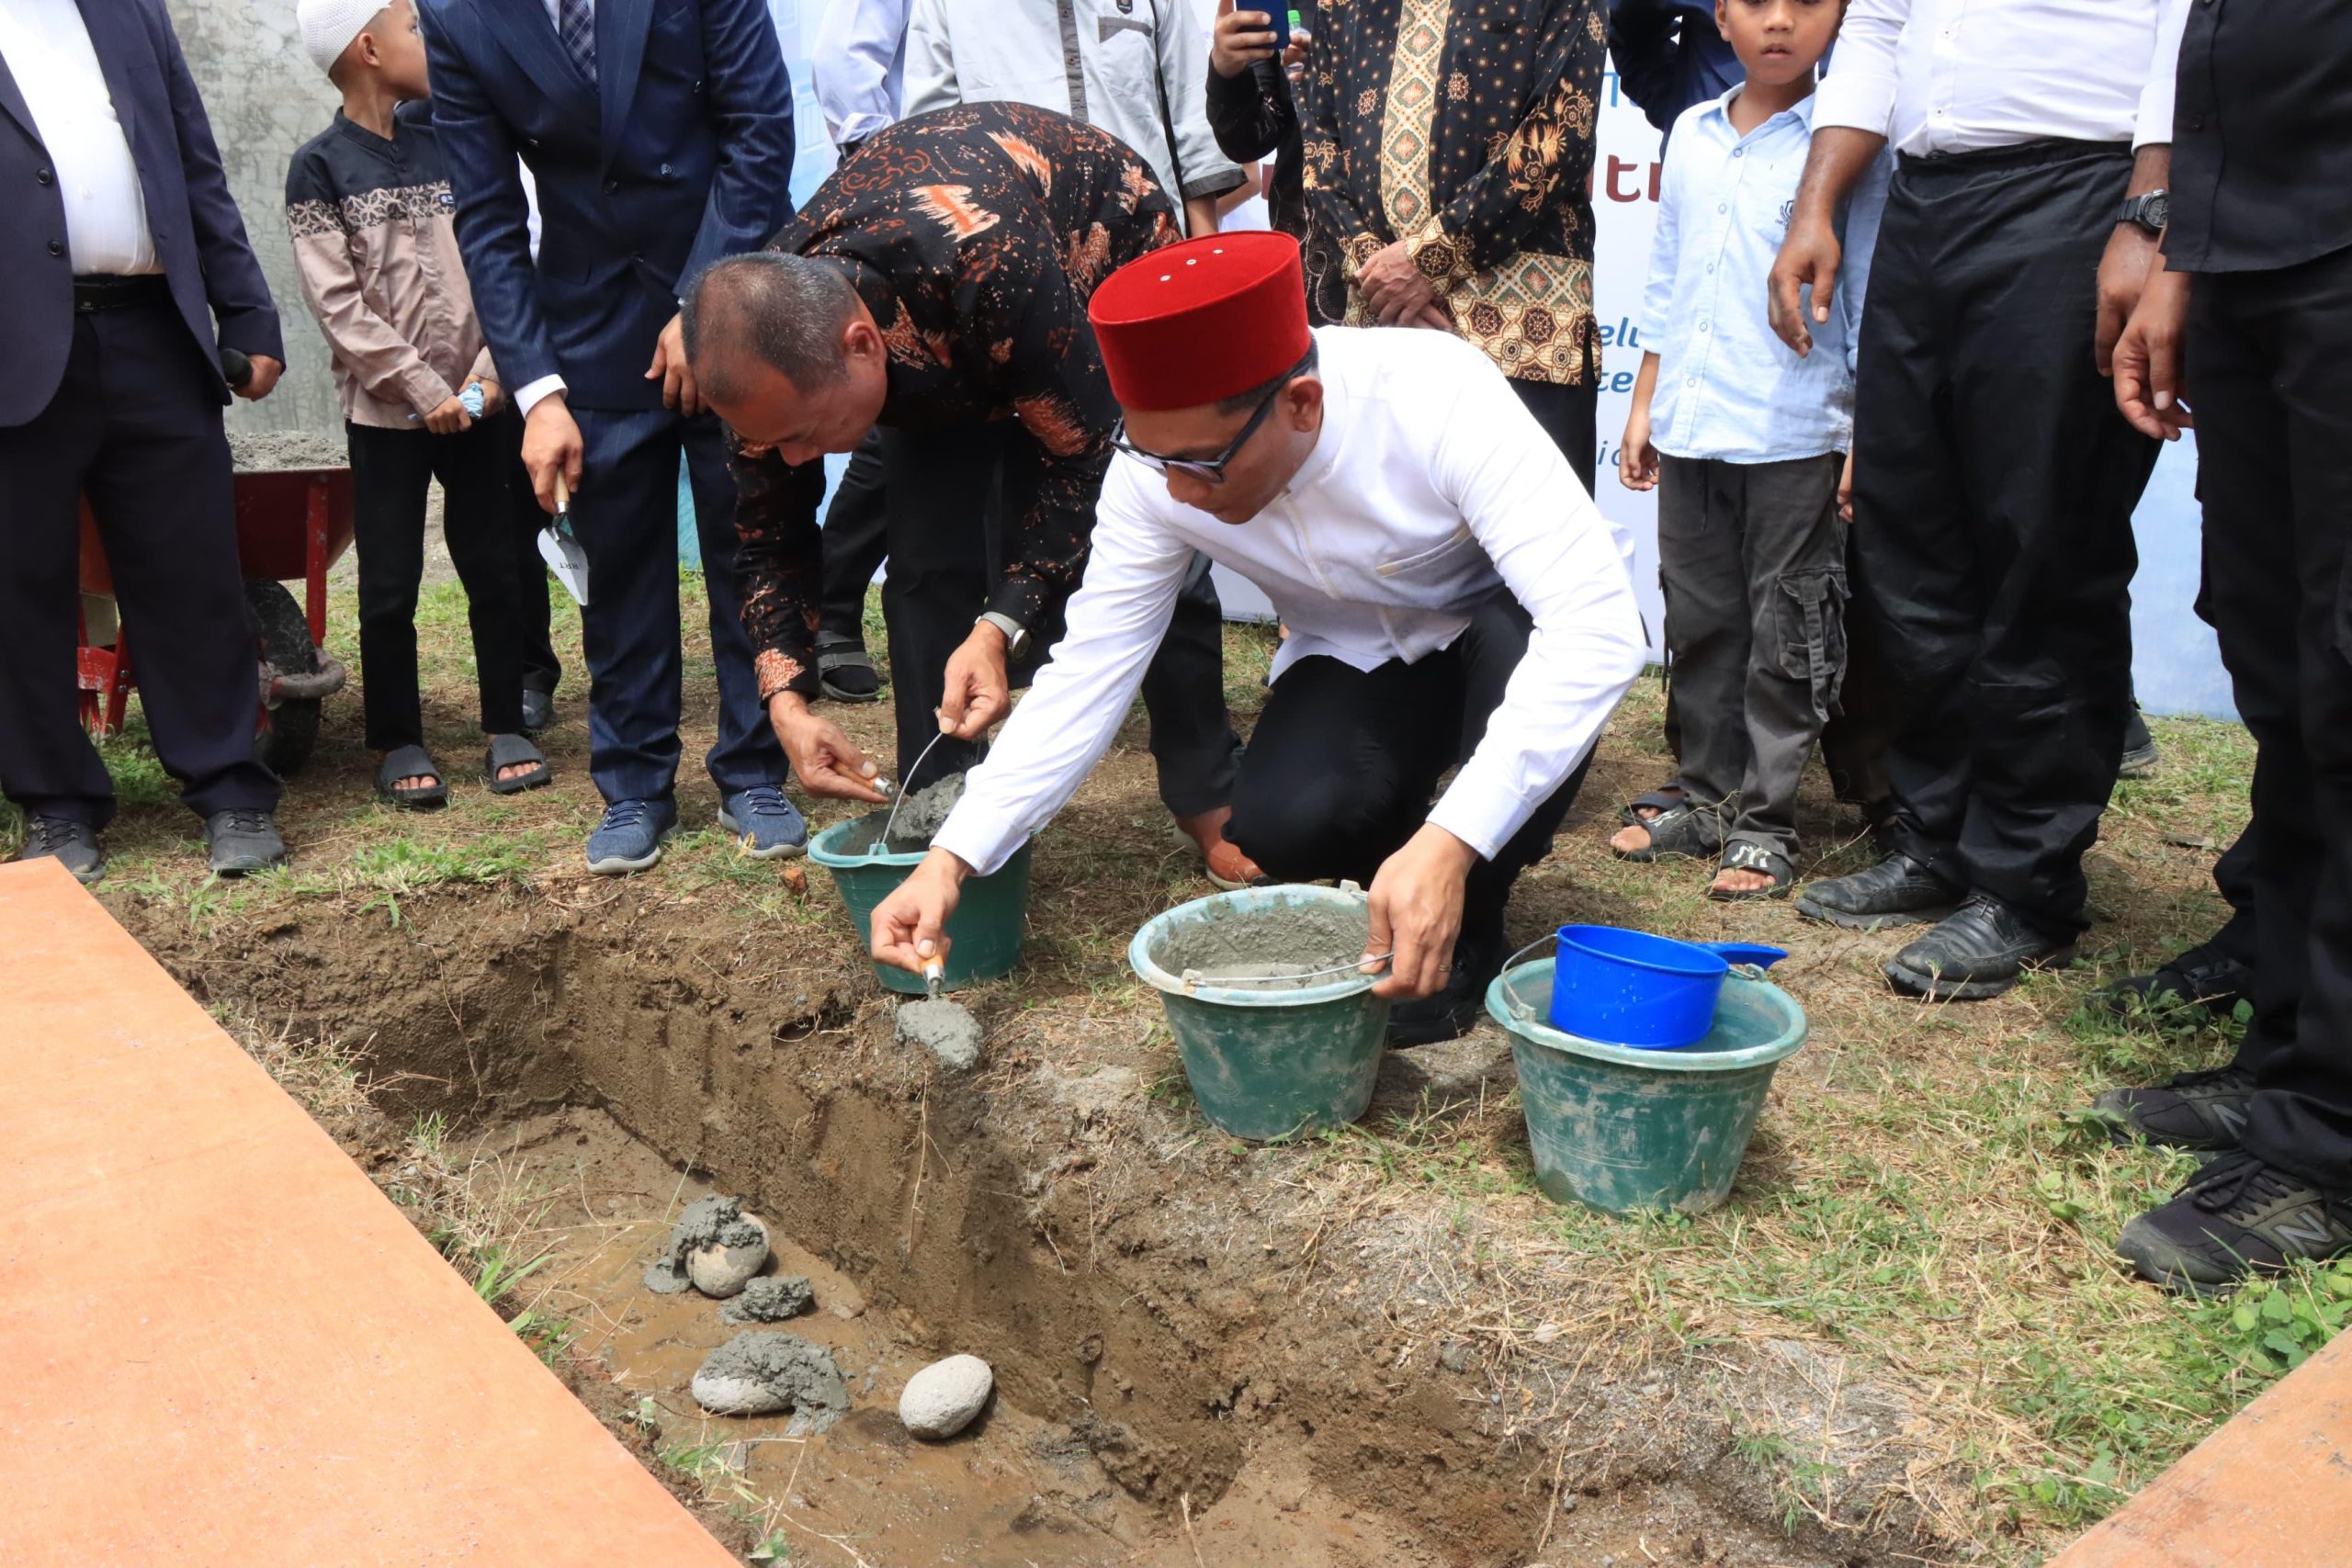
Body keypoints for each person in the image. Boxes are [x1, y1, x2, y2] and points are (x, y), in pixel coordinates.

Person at [860, 231, 1646, 1045]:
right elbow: (1090, 669)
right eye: (1154, 457)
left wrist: (1454, 843)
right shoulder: (1159, 466)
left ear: (1302, 403)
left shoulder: (1434, 396)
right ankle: (1395, 870)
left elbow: (1594, 627)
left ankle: (1469, 916)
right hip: (1361, 658)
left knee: (1518, 671)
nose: (1178, 493)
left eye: (1202, 464)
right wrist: (950, 859)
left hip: (1499, 638)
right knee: (1280, 824)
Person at [685, 103, 1259, 889]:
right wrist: (785, 699)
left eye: (810, 432)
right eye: (776, 440)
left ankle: (1209, 792)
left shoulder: (990, 264)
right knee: (923, 563)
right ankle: (943, 798)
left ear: (859, 347)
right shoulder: (764, 359)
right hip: (937, 343)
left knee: (1149, 541)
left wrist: (1002, 621)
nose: (795, 457)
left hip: (1090, 260)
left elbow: (1086, 463)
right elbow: (768, 540)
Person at [1767, 0, 2177, 1000]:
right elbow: (1873, 28)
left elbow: (2181, 32)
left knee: (2045, 543)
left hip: (2080, 192)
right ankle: (1938, 837)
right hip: (1925, 198)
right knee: (1910, 537)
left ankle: (2025, 882)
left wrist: (2149, 210)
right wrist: (1815, 202)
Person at [418, 0, 807, 874]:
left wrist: (704, 303)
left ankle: (755, 769)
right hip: (587, 327)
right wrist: (537, 389)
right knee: (619, 563)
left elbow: (759, 129)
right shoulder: (456, 14)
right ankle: (633, 784)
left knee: (750, 541)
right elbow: (485, 216)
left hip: (732, 290)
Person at [2098, 0, 2352, 1290]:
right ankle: (2289, 1060)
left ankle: (2333, 1142)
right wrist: (2185, 250)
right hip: (2254, 245)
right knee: (2289, 668)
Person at [0, 0, 291, 885]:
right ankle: (55, 802)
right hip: (14, 343)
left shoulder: (130, 11)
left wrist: (247, 309)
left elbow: (194, 164)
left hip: (153, 334)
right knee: (19, 583)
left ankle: (230, 783)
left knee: (191, 568)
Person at [1611, 0, 1881, 902]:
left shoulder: (1843, 141)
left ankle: (1766, 823)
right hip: (1692, 425)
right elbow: (1669, 270)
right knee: (1701, 622)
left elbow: (1867, 289)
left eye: (1804, 4)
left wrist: (1860, 428)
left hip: (1792, 430)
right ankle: (1706, 799)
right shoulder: (1688, 131)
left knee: (1786, 633)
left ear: (1840, 17)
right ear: (1718, 17)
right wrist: (1646, 402)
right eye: (1756, 3)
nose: (1778, 23)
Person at [287, 0, 549, 810]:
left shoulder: (458, 143)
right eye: (413, 28)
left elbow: (506, 252)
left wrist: (488, 370)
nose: (428, 41)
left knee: (495, 565)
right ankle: (399, 736)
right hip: (388, 416)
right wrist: (426, 389)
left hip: (482, 401)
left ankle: (507, 718)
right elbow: (339, 306)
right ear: (368, 47)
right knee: (391, 580)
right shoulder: (319, 167)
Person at [1299, 0, 1609, 490]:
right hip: (1377, 331)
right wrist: (1377, 275)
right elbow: (1318, 145)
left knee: (1539, 550)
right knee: (1387, 559)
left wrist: (1426, 263)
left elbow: (1560, 133)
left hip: (1523, 336)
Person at [904, 0, 1245, 239]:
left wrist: (1204, 257)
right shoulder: (945, 6)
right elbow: (933, 150)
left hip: (1149, 246)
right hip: (1021, 262)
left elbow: (1193, 125)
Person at [805, 0, 913, 707]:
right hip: (932, 202)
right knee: (904, 410)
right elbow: (841, 60)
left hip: (1048, 196)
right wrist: (898, 172)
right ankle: (831, 606)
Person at [1206, 4, 1342, 323]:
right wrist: (1227, 71)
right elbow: (1251, 138)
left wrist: (1342, 69)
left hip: (1422, 244)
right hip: (1317, 257)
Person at [1609, 0, 1742, 135]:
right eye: (1754, 3)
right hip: (1700, 142)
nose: (1765, 22)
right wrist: (1676, 110)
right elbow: (1628, 14)